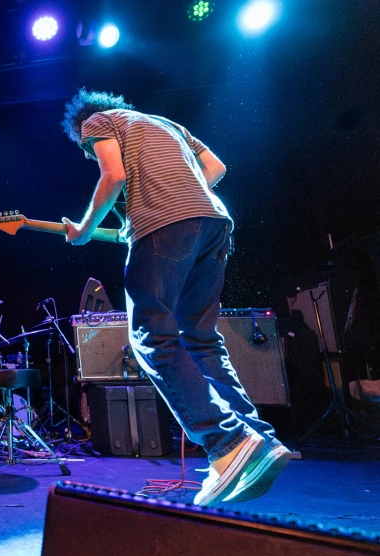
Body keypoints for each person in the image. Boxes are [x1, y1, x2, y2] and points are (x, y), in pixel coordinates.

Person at [60, 89, 291, 506]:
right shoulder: (165, 124)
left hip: (168, 228)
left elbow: (112, 176)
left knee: (151, 340)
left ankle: (228, 443)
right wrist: (175, 197)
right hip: (215, 223)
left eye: (86, 150)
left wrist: (84, 228)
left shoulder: (96, 123)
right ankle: (255, 438)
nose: (90, 153)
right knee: (199, 338)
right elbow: (215, 167)